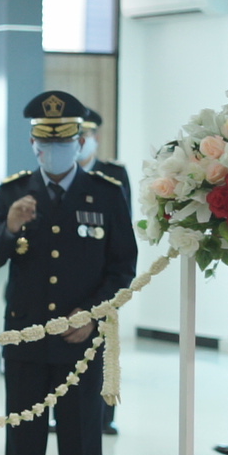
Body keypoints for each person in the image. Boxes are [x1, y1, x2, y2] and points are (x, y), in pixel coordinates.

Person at [0, 90, 137, 455]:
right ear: (34, 143)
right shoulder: (12, 192)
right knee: (23, 440)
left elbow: (122, 269)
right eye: (47, 142)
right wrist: (7, 228)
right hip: (25, 340)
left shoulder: (106, 193)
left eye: (67, 139)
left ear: (80, 139)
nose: (57, 149)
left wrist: (92, 314)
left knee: (81, 442)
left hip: (80, 344)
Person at [77, 107, 130, 436]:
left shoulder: (113, 176)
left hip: (102, 280)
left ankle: (105, 414)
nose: (83, 140)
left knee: (105, 348)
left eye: (88, 134)